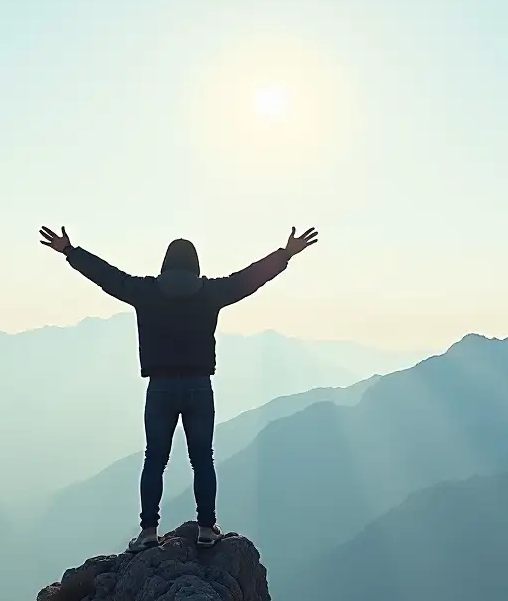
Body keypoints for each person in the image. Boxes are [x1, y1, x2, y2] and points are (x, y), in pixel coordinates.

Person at [40, 225, 318, 551]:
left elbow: (107, 276)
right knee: (202, 460)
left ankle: (148, 531)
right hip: (200, 386)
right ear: (195, 266)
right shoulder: (210, 292)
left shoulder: (145, 292)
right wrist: (285, 255)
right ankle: (207, 528)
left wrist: (70, 251)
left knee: (154, 460)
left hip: (160, 388)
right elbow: (248, 279)